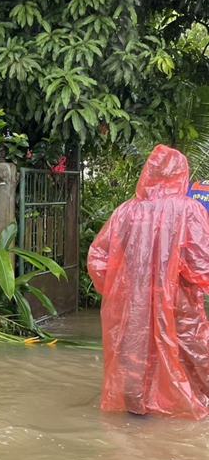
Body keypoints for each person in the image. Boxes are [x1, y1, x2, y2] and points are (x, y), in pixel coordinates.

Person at [88, 144, 209, 419]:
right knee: (190, 349)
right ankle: (186, 406)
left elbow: (98, 257)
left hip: (134, 301)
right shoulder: (190, 210)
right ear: (181, 174)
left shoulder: (125, 212)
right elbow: (202, 262)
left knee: (135, 352)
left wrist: (119, 288)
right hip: (179, 300)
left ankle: (137, 412)